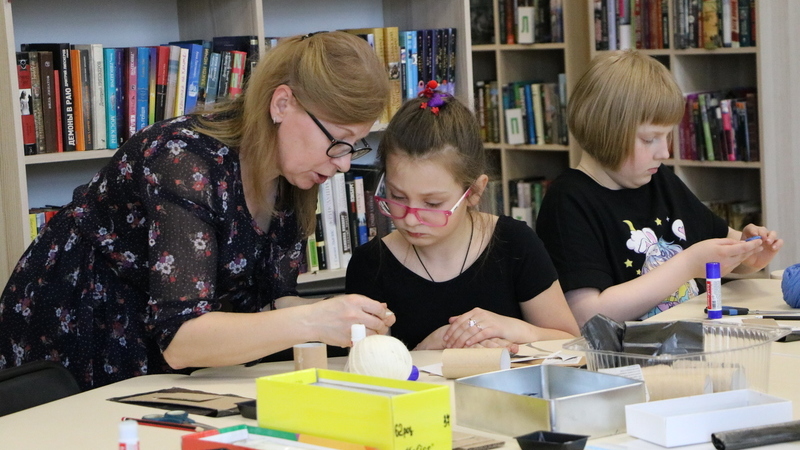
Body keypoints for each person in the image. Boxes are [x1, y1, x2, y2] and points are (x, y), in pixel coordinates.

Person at [0, 31, 395, 390]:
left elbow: (270, 304)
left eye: (355, 145)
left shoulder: (294, 177)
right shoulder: (182, 158)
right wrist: (315, 320)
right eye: (338, 140)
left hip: (155, 345)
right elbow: (182, 339)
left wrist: (342, 316)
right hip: (79, 333)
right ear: (282, 104)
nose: (344, 163)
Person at [536, 49, 783, 326]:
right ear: (606, 133)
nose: (664, 152)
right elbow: (587, 316)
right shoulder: (568, 202)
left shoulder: (659, 179)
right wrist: (687, 265)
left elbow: (720, 250)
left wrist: (750, 254)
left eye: (667, 136)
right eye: (649, 139)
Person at [345, 82, 579, 351]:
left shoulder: (515, 244)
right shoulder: (370, 265)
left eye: (432, 203)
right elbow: (366, 367)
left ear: (474, 191)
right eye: (397, 197)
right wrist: (426, 350)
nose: (410, 219)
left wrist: (516, 329)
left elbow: (571, 342)